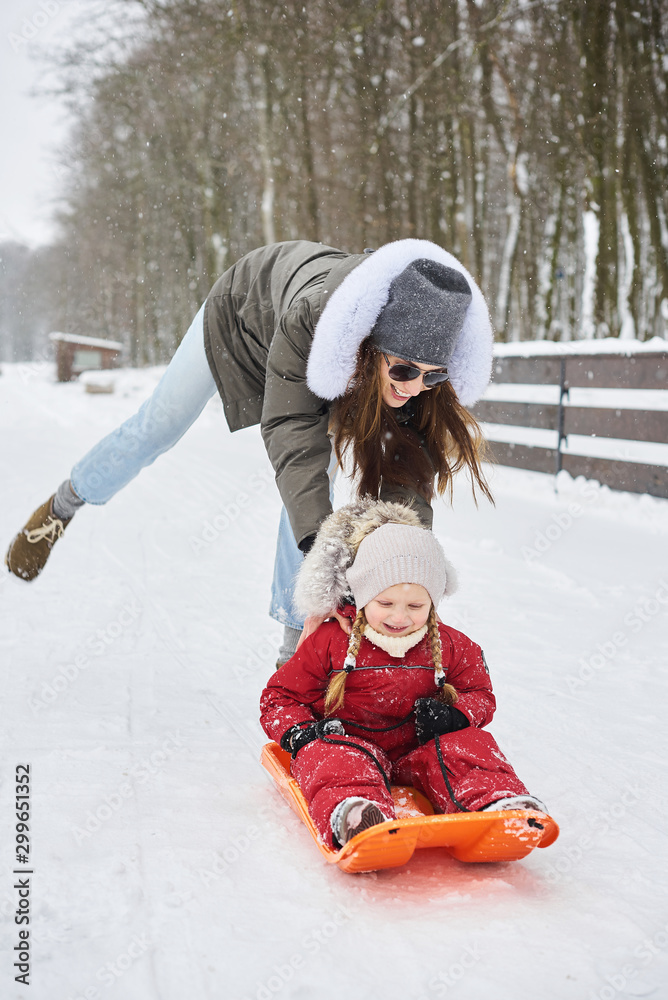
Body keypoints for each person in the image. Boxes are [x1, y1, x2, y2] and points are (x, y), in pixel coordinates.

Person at [5, 239, 494, 663]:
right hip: (242, 312)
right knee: (162, 426)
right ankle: (62, 506)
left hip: (337, 350)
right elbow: (292, 433)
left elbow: (406, 471)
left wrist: (402, 563)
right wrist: (323, 565)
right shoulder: (314, 319)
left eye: (434, 374)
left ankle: (294, 645)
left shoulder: (411, 369)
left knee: (326, 479)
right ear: (373, 347)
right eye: (406, 371)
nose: (416, 387)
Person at [260, 499, 546, 847]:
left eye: (415, 606)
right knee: (329, 757)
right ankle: (357, 815)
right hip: (351, 744)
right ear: (363, 595)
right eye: (385, 604)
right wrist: (300, 732)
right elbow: (280, 697)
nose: (399, 618)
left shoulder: (452, 645)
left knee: (470, 744)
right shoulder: (331, 641)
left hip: (420, 751)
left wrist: (456, 717)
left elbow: (480, 694)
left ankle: (499, 803)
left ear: (433, 603)